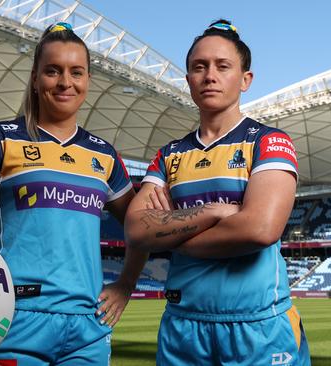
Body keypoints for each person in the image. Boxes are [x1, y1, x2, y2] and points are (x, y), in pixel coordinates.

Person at [0, 22, 148, 366]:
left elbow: (141, 227)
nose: (65, 82)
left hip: (88, 329)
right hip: (16, 321)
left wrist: (126, 284)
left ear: (88, 80)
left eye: (77, 72)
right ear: (35, 77)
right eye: (53, 71)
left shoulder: (104, 155)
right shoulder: (1, 139)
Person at [125, 19, 311, 365]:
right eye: (199, 67)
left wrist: (167, 232)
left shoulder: (268, 142)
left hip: (258, 326)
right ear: (189, 81)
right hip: (183, 327)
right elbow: (136, 229)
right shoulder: (170, 155)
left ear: (245, 80)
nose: (210, 75)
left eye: (222, 66)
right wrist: (214, 212)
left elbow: (259, 229)